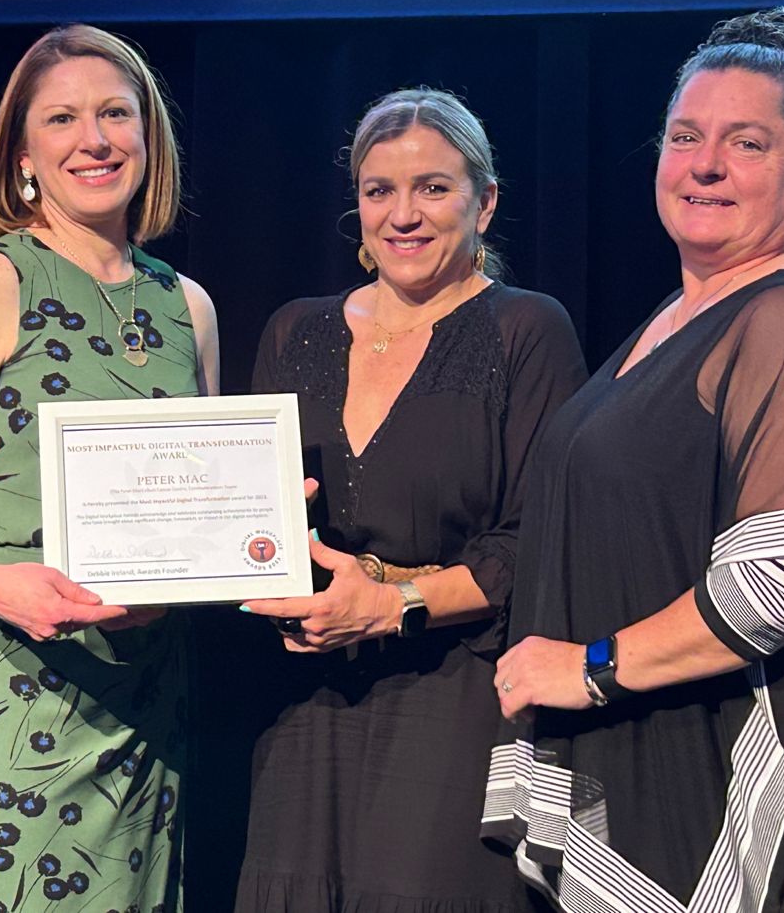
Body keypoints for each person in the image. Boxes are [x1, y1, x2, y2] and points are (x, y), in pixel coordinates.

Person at [486, 10, 784, 910]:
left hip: (718, 808)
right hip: (649, 775)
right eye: (685, 137)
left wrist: (591, 666)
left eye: (746, 143)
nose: (705, 165)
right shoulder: (680, 320)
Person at [0, 24, 218, 912]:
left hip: (146, 693)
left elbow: (204, 500)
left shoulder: (188, 306)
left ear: (149, 135)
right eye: (62, 119)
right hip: (12, 683)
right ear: (23, 157)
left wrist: (253, 529)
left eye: (115, 114)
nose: (93, 139)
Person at [236, 88, 587, 910]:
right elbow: (249, 521)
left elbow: (536, 544)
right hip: (304, 703)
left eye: (433, 188)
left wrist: (393, 604)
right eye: (379, 190)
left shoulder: (526, 331)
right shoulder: (296, 331)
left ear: (484, 203)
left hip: (454, 700)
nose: (403, 215)